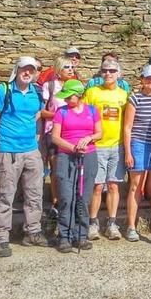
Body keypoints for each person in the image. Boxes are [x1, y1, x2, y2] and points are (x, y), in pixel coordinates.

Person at [0, 56, 47, 258]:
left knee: (35, 194)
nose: (27, 73)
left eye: (31, 70)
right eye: (24, 69)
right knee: (5, 195)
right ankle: (0, 238)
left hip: (31, 151)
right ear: (17, 70)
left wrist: (36, 144)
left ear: (36, 73)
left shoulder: (36, 92)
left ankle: (32, 232)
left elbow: (36, 118)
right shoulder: (4, 91)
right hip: (8, 151)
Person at [50, 79, 102, 252]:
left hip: (88, 156)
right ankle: (64, 235)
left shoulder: (92, 110)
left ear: (78, 95)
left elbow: (99, 132)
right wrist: (72, 147)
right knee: (66, 197)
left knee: (83, 197)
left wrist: (89, 138)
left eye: (68, 96)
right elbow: (55, 137)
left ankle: (81, 235)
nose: (65, 100)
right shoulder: (61, 112)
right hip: (66, 156)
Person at [84, 59, 128, 241]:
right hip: (98, 146)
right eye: (104, 71)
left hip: (117, 146)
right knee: (97, 186)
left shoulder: (124, 95)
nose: (108, 74)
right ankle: (93, 223)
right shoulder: (92, 92)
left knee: (113, 185)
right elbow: (84, 116)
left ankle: (111, 223)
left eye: (112, 71)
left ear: (119, 74)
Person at [122, 65, 151, 243]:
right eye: (147, 78)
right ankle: (131, 226)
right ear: (142, 79)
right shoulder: (135, 98)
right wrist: (128, 151)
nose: (150, 82)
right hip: (138, 144)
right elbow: (127, 127)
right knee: (135, 186)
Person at [38, 56, 76, 219]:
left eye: (72, 67)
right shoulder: (50, 86)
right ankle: (56, 201)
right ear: (58, 69)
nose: (70, 70)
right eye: (66, 67)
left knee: (70, 168)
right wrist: (60, 116)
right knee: (56, 168)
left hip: (71, 133)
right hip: (52, 131)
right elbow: (42, 111)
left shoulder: (75, 87)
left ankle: (69, 200)